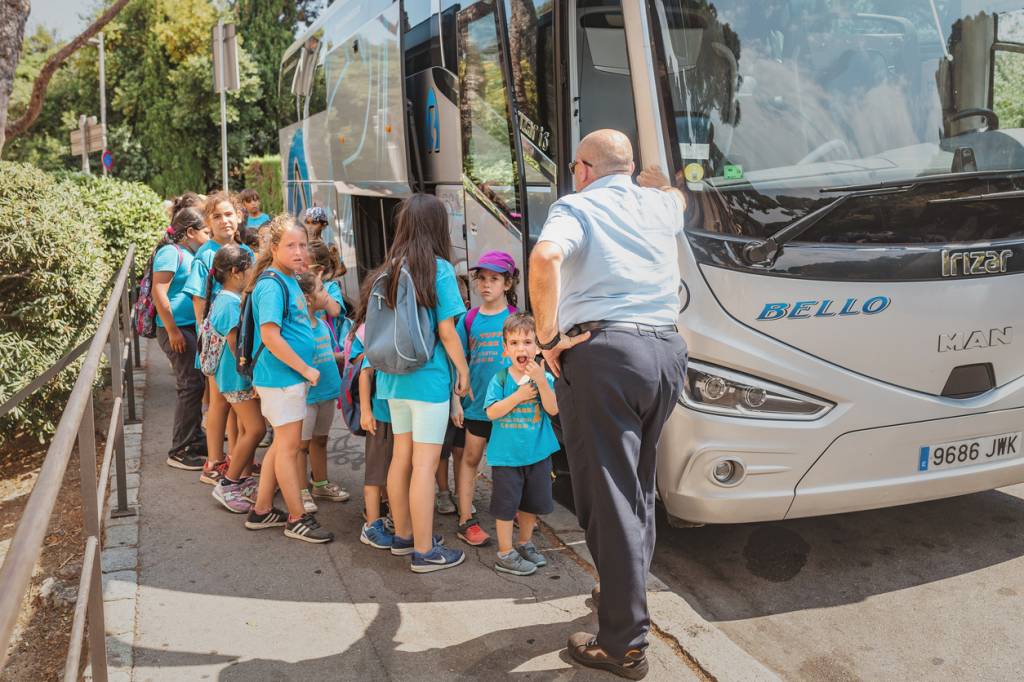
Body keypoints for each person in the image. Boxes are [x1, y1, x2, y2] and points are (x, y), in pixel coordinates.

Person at [529, 129, 687, 679]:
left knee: (609, 496)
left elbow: (545, 257)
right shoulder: (660, 206)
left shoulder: (577, 207)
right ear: (630, 170)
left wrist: (547, 338)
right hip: (665, 353)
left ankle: (623, 644)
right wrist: (659, 183)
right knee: (637, 487)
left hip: (606, 357)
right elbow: (678, 197)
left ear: (583, 169)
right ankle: (621, 594)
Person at [374, 194, 470, 573]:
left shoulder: (390, 266)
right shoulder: (438, 269)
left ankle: (403, 536)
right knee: (425, 466)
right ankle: (425, 551)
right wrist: (463, 370)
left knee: (401, 458)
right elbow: (447, 331)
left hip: (393, 377)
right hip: (428, 381)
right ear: (437, 227)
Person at [243, 215, 335, 544]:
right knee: (289, 448)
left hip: (284, 378)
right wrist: (306, 369)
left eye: (302, 245)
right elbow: (270, 336)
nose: (299, 252)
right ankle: (297, 517)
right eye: (291, 246)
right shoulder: (272, 285)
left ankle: (261, 510)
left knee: (282, 445)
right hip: (282, 378)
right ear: (274, 248)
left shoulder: (288, 279)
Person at [185, 193, 254, 486]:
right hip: (218, 341)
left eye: (228, 214)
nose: (224, 221)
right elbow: (198, 300)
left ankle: (238, 458)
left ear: (239, 216)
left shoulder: (244, 251)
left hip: (237, 336)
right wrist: (206, 339)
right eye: (216, 216)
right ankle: (214, 462)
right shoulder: (205, 255)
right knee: (219, 403)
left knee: (237, 403)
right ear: (208, 222)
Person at [453, 251, 519, 547]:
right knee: (470, 459)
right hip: (477, 406)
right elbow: (458, 363)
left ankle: (511, 509)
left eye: (494, 279)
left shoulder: (516, 319)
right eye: (481, 279)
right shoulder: (469, 320)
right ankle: (466, 518)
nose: (486, 284)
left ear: (507, 283)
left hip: (510, 407)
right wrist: (456, 402)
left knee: (509, 462)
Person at [483, 313, 558, 576]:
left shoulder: (544, 379)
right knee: (506, 507)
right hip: (506, 458)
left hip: (537, 455)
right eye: (514, 343)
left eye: (527, 342)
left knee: (530, 504)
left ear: (537, 348)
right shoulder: (501, 379)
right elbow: (491, 412)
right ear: (505, 349)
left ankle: (525, 543)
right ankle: (505, 553)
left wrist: (541, 381)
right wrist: (518, 396)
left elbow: (553, 409)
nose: (521, 348)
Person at [205, 245, 265, 513]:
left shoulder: (224, 298)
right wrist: (252, 375)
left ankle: (244, 480)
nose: (253, 273)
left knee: (247, 429)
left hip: (231, 378)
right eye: (250, 268)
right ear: (236, 272)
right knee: (256, 429)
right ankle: (228, 484)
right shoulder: (230, 304)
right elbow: (234, 345)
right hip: (236, 379)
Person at [151, 207, 211, 470]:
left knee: (196, 384)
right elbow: (159, 292)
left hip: (188, 327)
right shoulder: (170, 253)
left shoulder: (189, 253)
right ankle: (179, 449)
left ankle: (194, 438)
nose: (209, 236)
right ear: (190, 232)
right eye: (206, 231)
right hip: (175, 329)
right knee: (189, 385)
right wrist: (173, 330)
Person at [296, 271, 349, 512]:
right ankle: (301, 491)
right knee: (301, 446)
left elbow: (328, 353)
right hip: (307, 398)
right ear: (307, 298)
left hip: (327, 392)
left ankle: (320, 483)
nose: (326, 294)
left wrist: (345, 356)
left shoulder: (323, 324)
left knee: (320, 440)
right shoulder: (297, 328)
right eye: (321, 289)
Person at [349, 277, 395, 549]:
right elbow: (365, 374)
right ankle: (372, 524)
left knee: (392, 469)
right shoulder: (378, 334)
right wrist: (366, 411)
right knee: (376, 473)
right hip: (380, 415)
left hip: (397, 416)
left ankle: (389, 516)